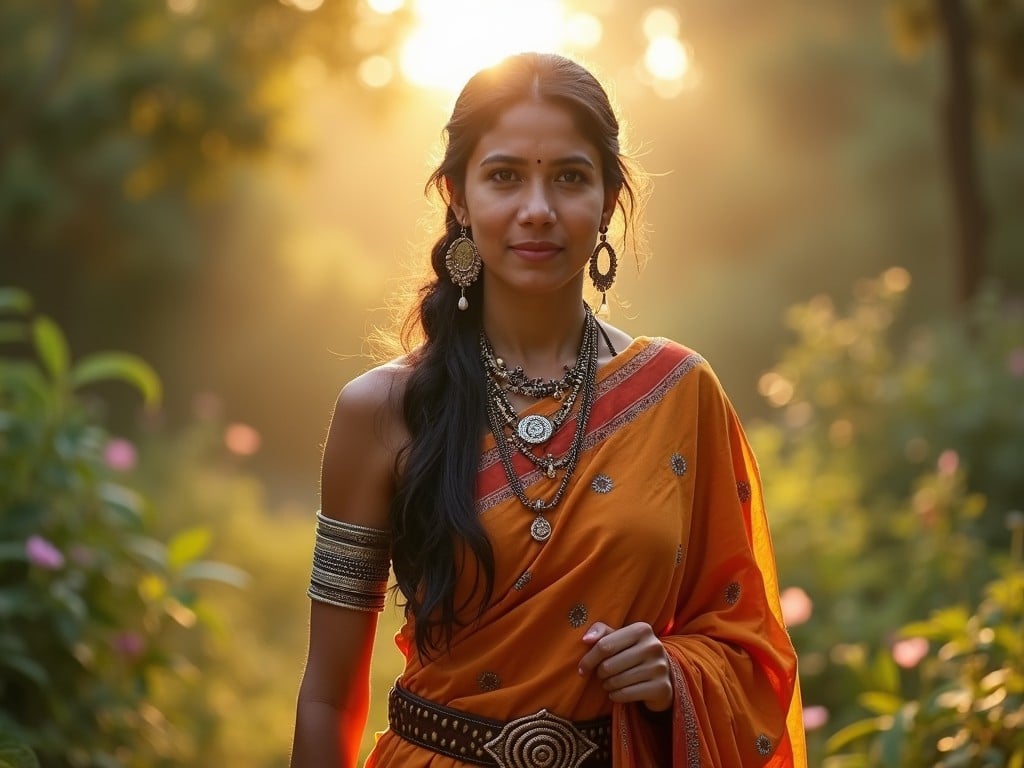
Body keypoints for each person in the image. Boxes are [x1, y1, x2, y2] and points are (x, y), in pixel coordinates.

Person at [290, 52, 806, 768]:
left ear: (607, 199)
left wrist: (672, 676)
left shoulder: (679, 392)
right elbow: (327, 697)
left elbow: (746, 640)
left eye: (569, 176)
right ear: (459, 197)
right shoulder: (381, 409)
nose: (538, 208)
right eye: (505, 176)